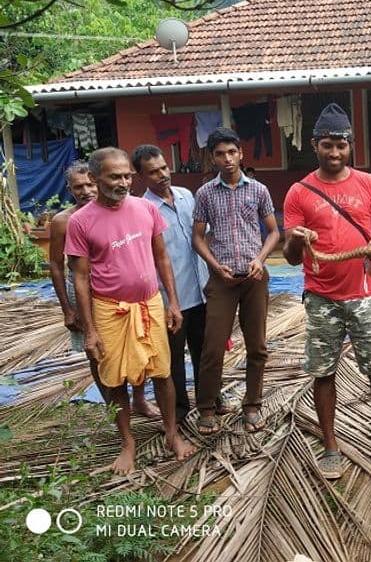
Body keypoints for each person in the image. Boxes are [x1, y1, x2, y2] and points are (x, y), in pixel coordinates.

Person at [283, 103, 371, 480]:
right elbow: (289, 257)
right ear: (314, 145)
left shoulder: (369, 185)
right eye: (326, 145)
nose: (334, 152)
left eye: (341, 145)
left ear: (351, 146)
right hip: (321, 298)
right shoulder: (298, 192)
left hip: (366, 293)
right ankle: (330, 446)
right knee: (324, 373)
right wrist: (298, 241)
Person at [65, 147, 195, 474]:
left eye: (127, 176)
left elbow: (162, 258)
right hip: (109, 311)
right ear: (94, 179)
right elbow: (80, 278)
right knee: (114, 380)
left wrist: (173, 303)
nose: (123, 183)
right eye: (115, 177)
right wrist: (90, 329)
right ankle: (127, 443)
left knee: (163, 372)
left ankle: (171, 433)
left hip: (150, 304)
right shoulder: (79, 222)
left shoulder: (145, 209)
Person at [50, 162, 159, 418]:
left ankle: (140, 400)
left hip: (116, 291)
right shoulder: (63, 221)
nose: (86, 190)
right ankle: (115, 408)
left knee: (135, 343)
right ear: (69, 189)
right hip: (82, 290)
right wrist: (67, 309)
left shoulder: (121, 211)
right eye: (79, 187)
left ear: (98, 180)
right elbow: (56, 266)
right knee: (96, 351)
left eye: (89, 184)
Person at [192, 128, 280, 434]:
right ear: (212, 157)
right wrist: (215, 266)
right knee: (213, 346)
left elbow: (274, 232)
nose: (227, 159)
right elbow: (198, 238)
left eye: (232, 152)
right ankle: (206, 407)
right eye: (220, 154)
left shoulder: (258, 190)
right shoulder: (204, 194)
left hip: (254, 278)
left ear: (241, 153)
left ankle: (252, 405)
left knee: (257, 346)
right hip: (223, 280)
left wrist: (261, 259)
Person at [133, 144, 223, 423]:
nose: (162, 175)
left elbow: (203, 237)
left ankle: (210, 400)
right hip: (169, 299)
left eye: (163, 168)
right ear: (141, 177)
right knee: (173, 360)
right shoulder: (142, 209)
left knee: (205, 352)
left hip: (202, 291)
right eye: (153, 172)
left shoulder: (186, 196)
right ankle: (180, 411)